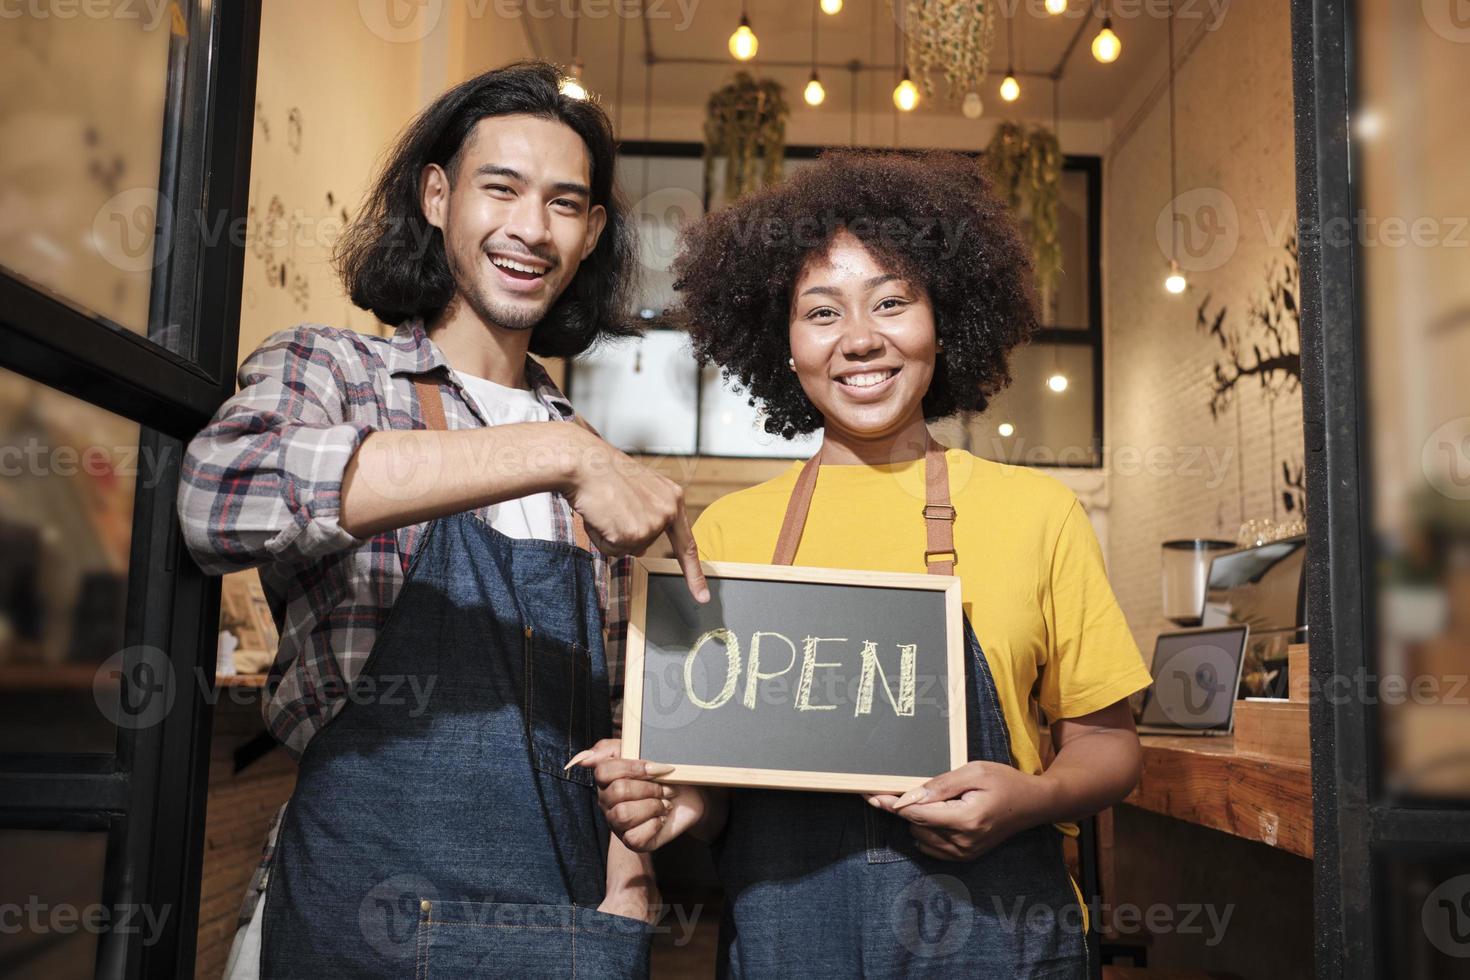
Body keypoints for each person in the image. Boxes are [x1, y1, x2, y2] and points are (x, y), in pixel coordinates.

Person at [179, 62, 708, 980]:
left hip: (556, 932)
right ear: (436, 195)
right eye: (500, 187)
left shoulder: (599, 472)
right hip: (352, 914)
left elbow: (632, 719)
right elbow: (219, 494)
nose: (530, 229)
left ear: (590, 236)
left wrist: (635, 876)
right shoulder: (337, 373)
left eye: (565, 204)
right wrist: (558, 454)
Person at [573, 150, 1153, 977]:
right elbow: (714, 783)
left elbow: (1110, 749)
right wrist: (670, 804)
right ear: (783, 342)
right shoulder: (730, 535)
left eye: (891, 301)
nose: (860, 340)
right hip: (790, 946)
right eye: (821, 313)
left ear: (942, 319)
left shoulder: (1041, 515)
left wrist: (1030, 799)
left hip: (997, 940)